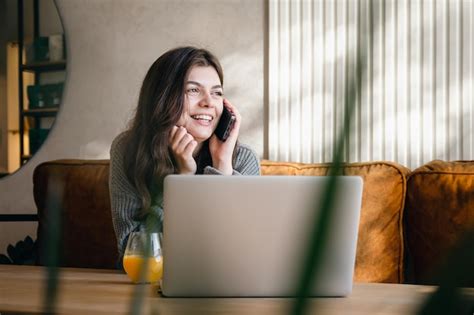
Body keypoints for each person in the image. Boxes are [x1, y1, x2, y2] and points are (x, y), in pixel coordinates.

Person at [109, 46, 260, 262]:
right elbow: (133, 253)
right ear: (163, 98)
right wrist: (181, 180)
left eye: (217, 93)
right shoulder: (128, 149)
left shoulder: (243, 159)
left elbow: (241, 255)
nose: (209, 102)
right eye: (193, 90)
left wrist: (222, 169)